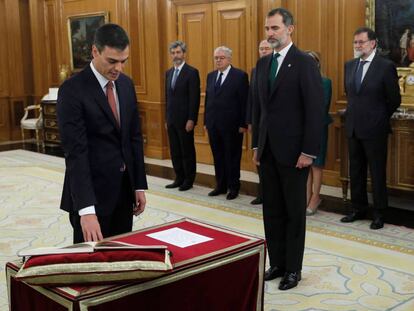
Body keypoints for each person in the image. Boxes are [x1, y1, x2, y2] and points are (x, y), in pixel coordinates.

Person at [251, 8, 323, 290]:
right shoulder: (262, 64)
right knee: (272, 210)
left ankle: (293, 269)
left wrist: (308, 151)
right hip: (268, 151)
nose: (270, 34)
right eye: (267, 29)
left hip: (295, 154)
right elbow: (259, 110)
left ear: (290, 29)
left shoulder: (304, 63)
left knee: (294, 212)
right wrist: (257, 144)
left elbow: (315, 111)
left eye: (275, 29)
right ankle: (278, 262)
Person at [57, 24, 148, 243]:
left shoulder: (126, 85)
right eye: (112, 61)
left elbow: (133, 138)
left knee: (120, 257)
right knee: (90, 265)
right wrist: (86, 211)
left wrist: (138, 184)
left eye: (123, 61)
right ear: (95, 51)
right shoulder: (72, 90)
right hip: (92, 197)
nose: (119, 68)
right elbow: (76, 153)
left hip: (123, 193)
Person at [341, 27, 400, 230]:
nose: (358, 46)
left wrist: (379, 117)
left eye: (361, 42)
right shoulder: (349, 66)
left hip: (375, 129)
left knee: (376, 173)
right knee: (355, 171)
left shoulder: (385, 66)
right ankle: (358, 209)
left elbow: (394, 99)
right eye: (355, 42)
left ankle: (379, 213)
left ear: (373, 43)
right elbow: (350, 94)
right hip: (353, 128)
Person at [204, 46, 249, 200]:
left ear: (229, 59)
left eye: (221, 58)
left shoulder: (240, 76)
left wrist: (243, 124)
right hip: (213, 125)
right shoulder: (210, 76)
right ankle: (220, 185)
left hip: (232, 126)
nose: (218, 60)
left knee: (232, 157)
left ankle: (233, 187)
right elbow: (208, 100)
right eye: (216, 57)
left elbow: (244, 101)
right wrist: (206, 122)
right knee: (218, 157)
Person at [164, 41, 200, 191]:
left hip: (185, 121)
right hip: (172, 120)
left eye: (178, 52)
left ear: (184, 53)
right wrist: (167, 118)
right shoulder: (169, 72)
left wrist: (191, 119)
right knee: (175, 151)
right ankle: (178, 178)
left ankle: (188, 180)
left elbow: (194, 98)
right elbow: (168, 98)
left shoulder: (192, 72)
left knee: (187, 151)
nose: (175, 55)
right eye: (173, 53)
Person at [305, 51, 333, 216]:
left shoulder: (325, 82)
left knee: (316, 164)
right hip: (301, 129)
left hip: (317, 127)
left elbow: (322, 107)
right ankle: (306, 197)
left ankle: (315, 197)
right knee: (305, 165)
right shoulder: (299, 81)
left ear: (317, 63)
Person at [246, 39, 273, 205]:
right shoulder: (256, 70)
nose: (263, 51)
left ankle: (270, 194)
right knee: (258, 158)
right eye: (261, 48)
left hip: (273, 123)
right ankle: (262, 193)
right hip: (258, 122)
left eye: (266, 48)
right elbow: (252, 98)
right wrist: (249, 120)